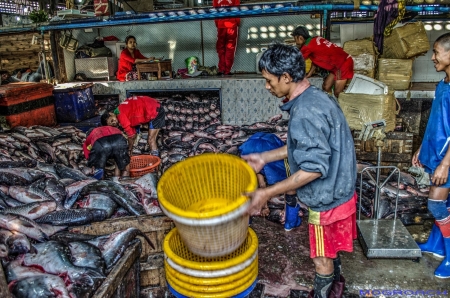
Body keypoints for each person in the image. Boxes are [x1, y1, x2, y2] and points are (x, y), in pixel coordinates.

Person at [242, 43, 357, 298]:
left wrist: (267, 193)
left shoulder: (305, 111)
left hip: (327, 198)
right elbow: (303, 145)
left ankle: (325, 293)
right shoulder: (315, 97)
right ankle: (336, 290)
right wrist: (264, 157)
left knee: (321, 260)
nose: (267, 86)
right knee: (330, 252)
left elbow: (314, 168)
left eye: (269, 81)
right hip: (341, 189)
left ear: (285, 77)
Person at [412, 32, 450, 279]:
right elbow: (437, 122)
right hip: (436, 153)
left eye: (436, 52)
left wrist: (445, 164)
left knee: (436, 204)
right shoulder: (443, 84)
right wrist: (421, 148)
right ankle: (436, 245)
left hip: (447, 158)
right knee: (442, 204)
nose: (432, 57)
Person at [239, 132, 302, 230]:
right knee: (289, 181)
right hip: (269, 147)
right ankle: (290, 222)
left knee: (248, 181)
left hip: (249, 146)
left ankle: (246, 220)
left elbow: (261, 182)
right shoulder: (280, 148)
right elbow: (290, 183)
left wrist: (265, 207)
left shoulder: (259, 170)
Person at [291, 26, 354, 98]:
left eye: (295, 38)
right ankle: (330, 104)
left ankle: (343, 107)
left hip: (342, 64)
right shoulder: (315, 39)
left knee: (338, 93)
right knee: (326, 87)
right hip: (338, 64)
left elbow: (296, 62)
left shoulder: (307, 46)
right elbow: (315, 61)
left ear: (300, 38)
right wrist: (310, 74)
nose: (295, 42)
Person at [213, 0, 240, 76]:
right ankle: (227, 70)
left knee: (220, 47)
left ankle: (221, 69)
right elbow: (237, 10)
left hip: (221, 24)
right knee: (230, 48)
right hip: (232, 25)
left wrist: (217, 23)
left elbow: (215, 11)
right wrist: (237, 22)